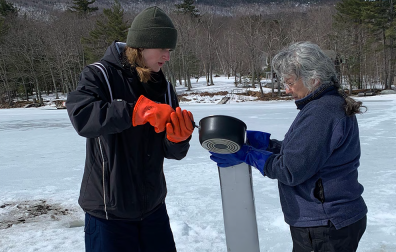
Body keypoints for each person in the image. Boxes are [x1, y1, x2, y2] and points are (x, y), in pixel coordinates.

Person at [210, 41, 368, 252]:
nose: (286, 90)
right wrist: (268, 145)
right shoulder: (325, 105)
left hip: (325, 223)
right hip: (328, 222)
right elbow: (310, 153)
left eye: (290, 82)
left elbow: (291, 169)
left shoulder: (322, 112)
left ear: (313, 78)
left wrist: (248, 154)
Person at [66, 6, 194, 252]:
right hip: (108, 212)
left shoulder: (164, 88)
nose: (167, 56)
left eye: (170, 50)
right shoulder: (99, 75)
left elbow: (173, 152)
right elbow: (82, 117)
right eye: (163, 49)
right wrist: (134, 112)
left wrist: (178, 139)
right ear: (142, 45)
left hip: (153, 208)